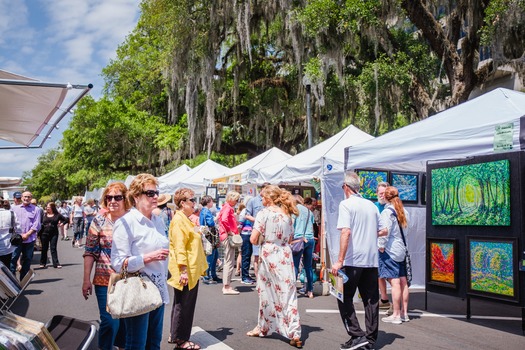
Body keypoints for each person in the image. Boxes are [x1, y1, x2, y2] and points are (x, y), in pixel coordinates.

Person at [111, 174, 169, 349]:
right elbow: (118, 262)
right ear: (136, 196)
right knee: (136, 344)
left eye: (156, 192)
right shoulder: (126, 222)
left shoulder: (158, 220)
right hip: (139, 289)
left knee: (154, 342)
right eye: (150, 193)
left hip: (159, 288)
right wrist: (148, 257)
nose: (155, 197)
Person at [247, 185, 302, 348]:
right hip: (285, 253)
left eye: (263, 197)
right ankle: (295, 332)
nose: (261, 200)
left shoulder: (263, 214)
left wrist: (264, 238)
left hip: (269, 253)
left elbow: (253, 238)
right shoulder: (287, 215)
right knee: (289, 293)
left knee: (266, 292)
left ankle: (263, 327)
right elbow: (290, 238)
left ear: (269, 198)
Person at [331, 172, 381, 350]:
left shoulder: (346, 204)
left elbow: (346, 232)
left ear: (346, 186)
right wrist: (367, 234)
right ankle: (370, 339)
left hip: (353, 259)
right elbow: (383, 230)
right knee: (370, 300)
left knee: (343, 297)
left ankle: (356, 334)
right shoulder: (372, 205)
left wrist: (339, 260)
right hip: (371, 259)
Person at [83, 182, 130, 350]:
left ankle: (121, 346)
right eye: (109, 197)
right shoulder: (99, 221)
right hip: (104, 280)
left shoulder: (133, 219)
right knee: (110, 322)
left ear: (125, 199)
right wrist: (86, 280)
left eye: (117, 197)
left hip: (129, 280)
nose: (112, 201)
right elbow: (90, 252)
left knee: (125, 322)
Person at [167, 188, 208, 349]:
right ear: (182, 203)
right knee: (184, 305)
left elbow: (191, 237)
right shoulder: (179, 220)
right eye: (192, 200)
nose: (194, 204)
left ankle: (176, 334)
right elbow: (179, 247)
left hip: (190, 268)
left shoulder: (185, 219)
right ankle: (181, 339)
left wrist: (197, 228)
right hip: (186, 269)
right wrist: (183, 270)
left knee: (182, 303)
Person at [378, 186, 410, 325]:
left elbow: (385, 232)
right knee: (403, 282)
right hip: (401, 248)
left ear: (385, 196)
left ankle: (396, 314)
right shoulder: (404, 211)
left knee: (394, 282)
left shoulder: (387, 212)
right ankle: (404, 313)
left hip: (390, 250)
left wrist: (380, 246)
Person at [10, 191, 42, 280]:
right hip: (17, 239)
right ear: (21, 197)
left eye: (28, 197)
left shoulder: (36, 209)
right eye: (25, 196)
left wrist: (27, 234)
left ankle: (23, 280)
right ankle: (12, 280)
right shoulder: (14, 209)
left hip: (29, 239)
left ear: (31, 198)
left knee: (27, 259)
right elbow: (11, 223)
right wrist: (20, 235)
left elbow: (37, 224)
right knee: (13, 259)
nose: (26, 198)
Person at [244, 183, 270, 281]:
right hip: (258, 231)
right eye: (266, 189)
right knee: (256, 256)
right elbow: (247, 215)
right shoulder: (253, 201)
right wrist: (257, 220)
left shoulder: (271, 201)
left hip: (269, 232)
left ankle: (266, 277)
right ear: (261, 190)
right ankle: (258, 278)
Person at [217, 190, 241, 295]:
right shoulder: (228, 208)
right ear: (231, 199)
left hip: (224, 235)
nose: (237, 202)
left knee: (229, 260)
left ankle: (227, 285)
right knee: (229, 261)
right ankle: (226, 286)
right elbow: (223, 220)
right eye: (236, 200)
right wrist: (230, 231)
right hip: (227, 236)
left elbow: (221, 219)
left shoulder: (225, 206)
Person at [292, 195, 315, 298]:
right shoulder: (309, 211)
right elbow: (312, 225)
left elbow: (292, 225)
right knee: (308, 266)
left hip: (299, 239)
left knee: (295, 265)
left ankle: (292, 290)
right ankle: (310, 291)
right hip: (310, 239)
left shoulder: (295, 210)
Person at [374, 182, 392, 312]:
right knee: (379, 274)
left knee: (392, 277)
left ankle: (398, 304)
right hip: (377, 245)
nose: (382, 195)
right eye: (380, 193)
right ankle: (384, 299)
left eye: (384, 193)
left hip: (389, 247)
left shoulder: (391, 208)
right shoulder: (374, 207)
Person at [199, 195, 221, 284]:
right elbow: (211, 223)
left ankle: (212, 275)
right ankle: (207, 276)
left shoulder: (203, 211)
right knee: (210, 257)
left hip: (207, 235)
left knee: (214, 255)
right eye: (212, 201)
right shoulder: (206, 211)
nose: (213, 203)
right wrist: (216, 217)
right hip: (209, 237)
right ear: (208, 202)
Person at [39, 202, 68, 269]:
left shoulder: (57, 215)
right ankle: (42, 263)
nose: (47, 208)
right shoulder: (44, 214)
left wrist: (62, 224)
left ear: (52, 208)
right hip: (44, 233)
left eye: (49, 207)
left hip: (54, 233)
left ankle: (56, 263)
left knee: (53, 248)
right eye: (47, 207)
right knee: (44, 248)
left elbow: (66, 219)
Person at [238, 196, 256, 284]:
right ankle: (244, 276)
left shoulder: (250, 211)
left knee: (248, 256)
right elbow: (240, 224)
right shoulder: (245, 211)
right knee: (246, 256)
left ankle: (246, 275)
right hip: (245, 235)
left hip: (250, 234)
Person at [0, 200, 19, 267]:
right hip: (7, 247)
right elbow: (18, 229)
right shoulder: (11, 213)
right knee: (6, 268)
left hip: (7, 246)